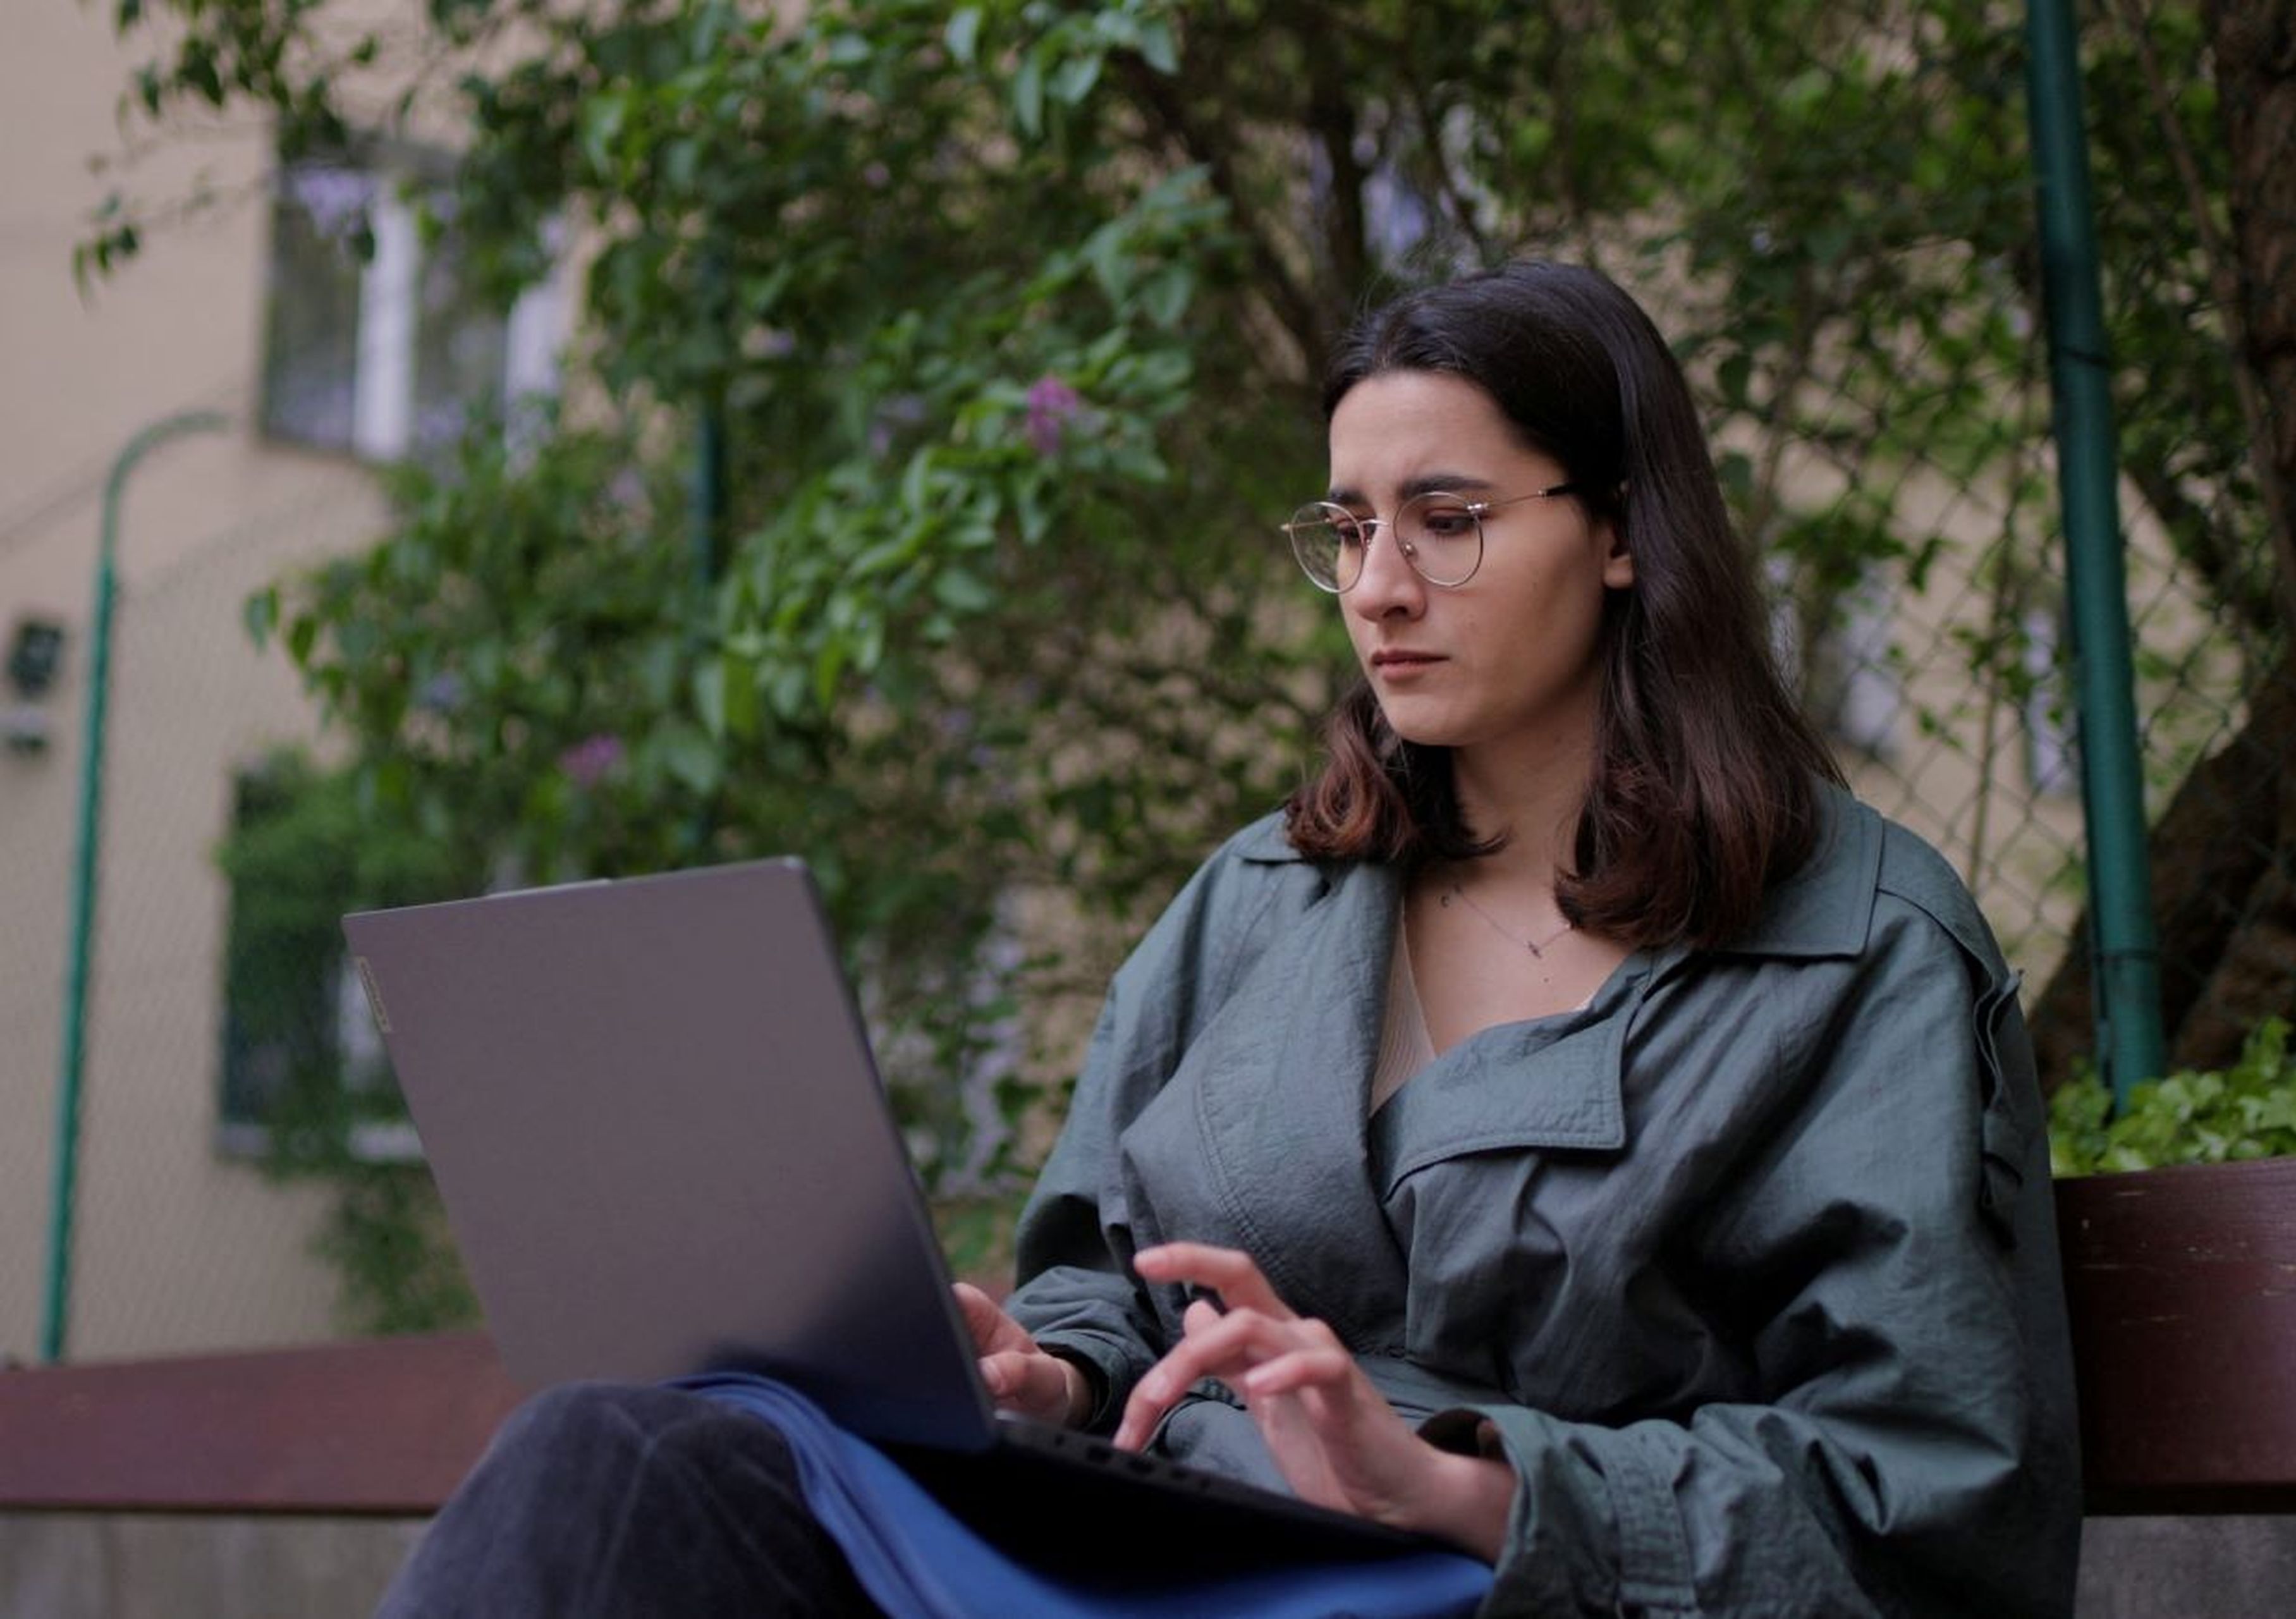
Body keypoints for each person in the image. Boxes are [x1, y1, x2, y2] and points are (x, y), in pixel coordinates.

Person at [377, 261, 2080, 1618]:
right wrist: (1049, 1375)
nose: (1380, 588)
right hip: (1146, 1547)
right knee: (619, 1458)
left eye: (1449, 517)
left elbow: (1923, 1508)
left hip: (1466, 1587)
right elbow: (1100, 1286)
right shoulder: (1264, 898)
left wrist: (1456, 1480)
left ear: (1626, 530)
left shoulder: (1855, 949)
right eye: (1346, 529)